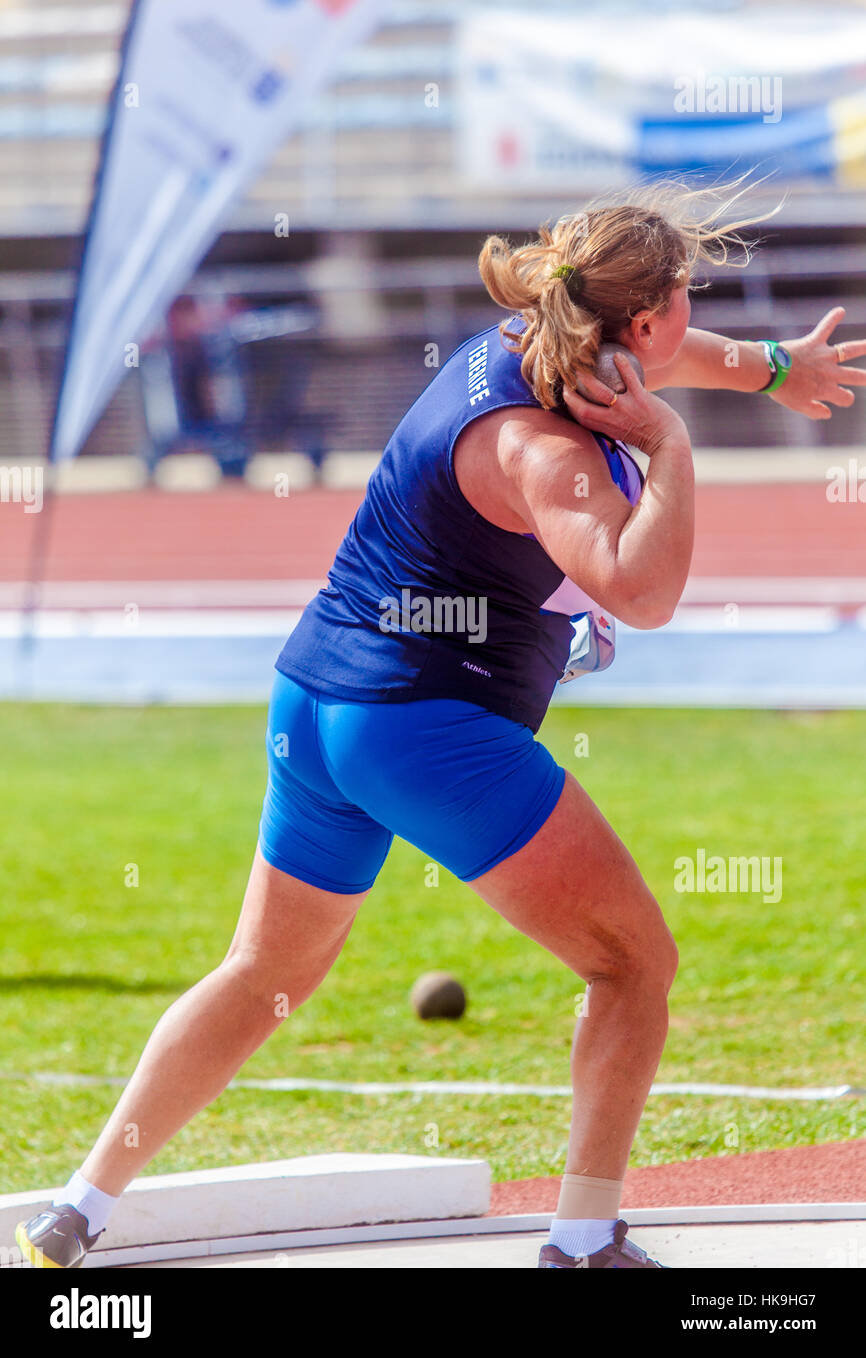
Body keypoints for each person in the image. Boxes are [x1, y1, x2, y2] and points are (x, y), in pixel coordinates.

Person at [17, 179, 865, 1270]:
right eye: (680, 301)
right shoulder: (545, 452)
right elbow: (641, 592)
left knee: (258, 971)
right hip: (419, 729)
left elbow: (669, 353)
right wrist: (673, 452)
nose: (683, 324)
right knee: (630, 963)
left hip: (313, 705)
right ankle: (581, 1235)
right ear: (637, 321)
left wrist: (775, 368)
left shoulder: (534, 336)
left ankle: (79, 1205)